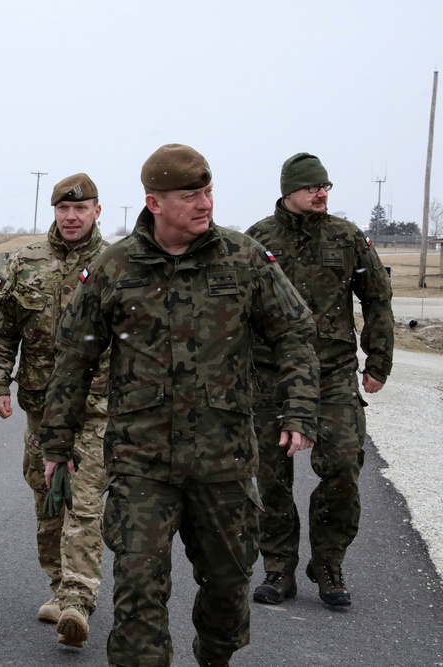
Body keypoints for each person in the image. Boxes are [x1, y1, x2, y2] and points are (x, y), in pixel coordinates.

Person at [38, 144, 321, 667]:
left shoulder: (242, 258)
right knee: (138, 596)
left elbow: (295, 332)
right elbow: (74, 357)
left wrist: (300, 407)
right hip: (142, 463)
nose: (204, 204)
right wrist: (57, 441)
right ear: (155, 202)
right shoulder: (115, 268)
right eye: (190, 195)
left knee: (228, 590)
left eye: (208, 192)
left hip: (225, 462)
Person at [247, 153, 394, 608]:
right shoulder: (258, 240)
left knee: (344, 467)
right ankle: (278, 567)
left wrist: (378, 360)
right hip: (271, 377)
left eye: (325, 186)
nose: (321, 193)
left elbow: (377, 298)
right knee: (270, 477)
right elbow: (235, 309)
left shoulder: (347, 237)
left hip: (332, 373)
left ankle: (328, 562)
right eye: (312, 187)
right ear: (289, 190)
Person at [0, 173, 111, 648]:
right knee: (46, 496)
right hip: (40, 404)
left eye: (81, 208)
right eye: (63, 209)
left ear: (97, 210)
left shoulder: (116, 263)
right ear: (54, 212)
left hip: (98, 406)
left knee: (84, 496)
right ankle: (60, 585)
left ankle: (78, 598)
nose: (72, 217)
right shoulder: (24, 263)